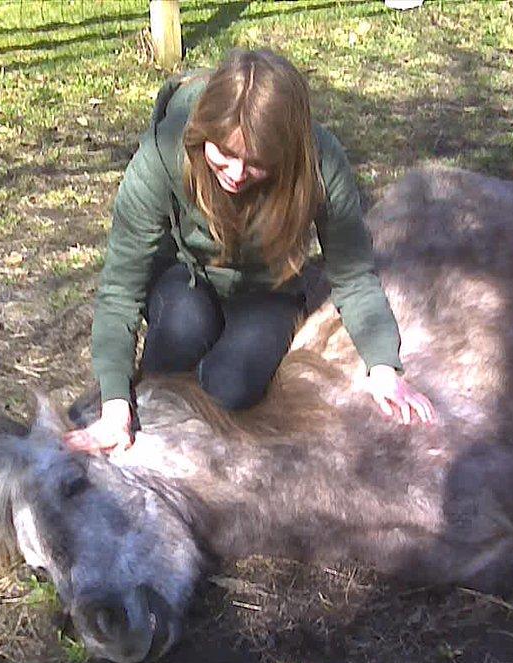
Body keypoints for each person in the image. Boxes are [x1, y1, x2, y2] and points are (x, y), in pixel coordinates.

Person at [64, 49, 434, 455]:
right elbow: (120, 290)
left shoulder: (320, 162)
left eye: (256, 163)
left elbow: (353, 274)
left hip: (270, 289)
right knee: (171, 352)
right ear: (202, 133)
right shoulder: (162, 151)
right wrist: (114, 409)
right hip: (188, 277)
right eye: (224, 153)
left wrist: (383, 366)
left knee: (232, 388)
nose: (237, 175)